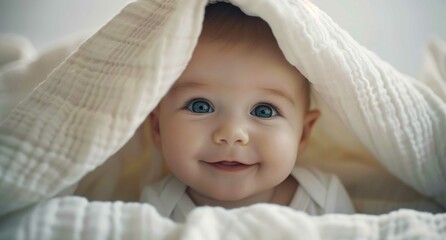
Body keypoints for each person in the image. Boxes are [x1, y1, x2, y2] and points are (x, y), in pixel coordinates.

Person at [140, 2, 355, 222]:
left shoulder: (324, 202)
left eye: (264, 111)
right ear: (157, 127)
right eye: (200, 106)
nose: (232, 132)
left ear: (302, 134)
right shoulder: (155, 211)